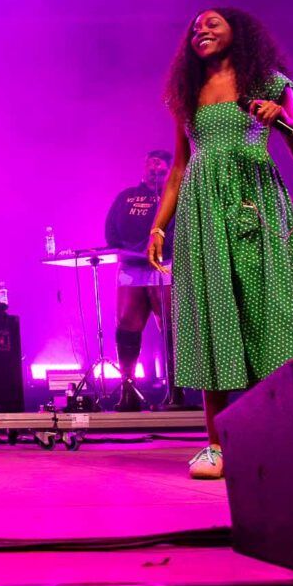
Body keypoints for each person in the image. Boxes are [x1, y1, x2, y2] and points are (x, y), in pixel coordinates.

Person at [147, 7, 293, 479]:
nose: (200, 31)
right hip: (202, 211)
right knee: (214, 315)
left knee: (268, 312)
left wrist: (282, 122)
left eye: (211, 24)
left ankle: (283, 435)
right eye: (193, 29)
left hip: (257, 204)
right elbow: (178, 168)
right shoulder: (187, 95)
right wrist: (159, 226)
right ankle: (216, 444)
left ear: (238, 31)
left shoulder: (269, 83)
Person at [104, 149, 174, 412]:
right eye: (150, 165)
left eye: (160, 167)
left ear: (169, 170)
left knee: (170, 323)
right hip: (132, 266)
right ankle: (128, 389)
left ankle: (175, 391)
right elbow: (110, 228)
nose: (154, 169)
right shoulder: (126, 196)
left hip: (165, 264)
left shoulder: (172, 196)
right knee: (126, 324)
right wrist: (123, 249)